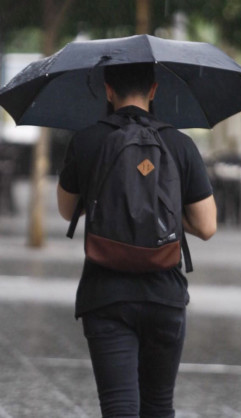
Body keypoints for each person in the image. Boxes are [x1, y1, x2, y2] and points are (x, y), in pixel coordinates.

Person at [57, 62, 217, 418]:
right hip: (165, 294)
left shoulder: (86, 141)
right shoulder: (179, 143)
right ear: (154, 90)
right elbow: (207, 226)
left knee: (119, 407)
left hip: (105, 294)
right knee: (158, 406)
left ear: (108, 90)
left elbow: (67, 210)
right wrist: (168, 215)